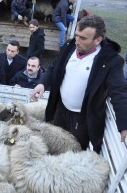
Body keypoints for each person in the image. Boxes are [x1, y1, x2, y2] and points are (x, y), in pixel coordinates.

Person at [30, 15, 127, 153]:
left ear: (98, 40)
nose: (77, 41)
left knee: (74, 152)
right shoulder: (69, 47)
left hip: (82, 118)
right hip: (60, 109)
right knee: (54, 145)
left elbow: (119, 91)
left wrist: (124, 124)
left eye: (83, 38)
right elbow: (54, 67)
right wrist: (42, 84)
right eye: (76, 35)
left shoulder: (110, 61)